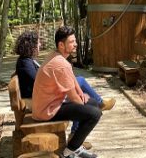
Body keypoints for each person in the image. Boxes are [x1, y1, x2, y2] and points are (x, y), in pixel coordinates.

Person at [14, 31, 115, 136]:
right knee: (78, 86)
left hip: (40, 97)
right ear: (30, 45)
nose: (40, 45)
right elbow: (37, 82)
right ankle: (96, 107)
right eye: (38, 43)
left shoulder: (27, 60)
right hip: (38, 101)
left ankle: (99, 104)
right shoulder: (25, 63)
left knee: (77, 83)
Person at [31, 27, 103, 158]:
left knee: (92, 103)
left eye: (75, 41)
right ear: (61, 44)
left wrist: (81, 92)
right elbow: (72, 96)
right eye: (72, 41)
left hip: (49, 105)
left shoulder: (57, 56)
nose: (75, 44)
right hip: (46, 111)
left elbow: (72, 78)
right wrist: (82, 100)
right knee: (95, 113)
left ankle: (75, 144)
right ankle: (70, 151)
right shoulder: (59, 64)